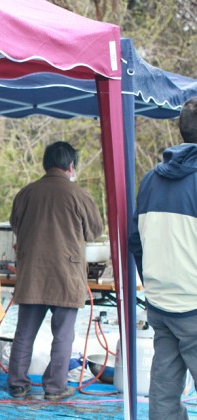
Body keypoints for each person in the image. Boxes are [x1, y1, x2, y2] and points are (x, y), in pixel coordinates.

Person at [7, 141, 103, 401]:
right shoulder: (79, 195)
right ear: (71, 166)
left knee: (24, 332)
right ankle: (54, 388)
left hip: (32, 273)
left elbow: (15, 224)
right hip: (66, 273)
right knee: (63, 335)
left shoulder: (26, 193)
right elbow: (95, 231)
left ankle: (17, 383)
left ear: (45, 164)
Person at [128, 97, 197, 420]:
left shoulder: (150, 179)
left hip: (160, 302)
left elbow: (134, 241)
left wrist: (153, 279)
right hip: (193, 304)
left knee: (164, 396)